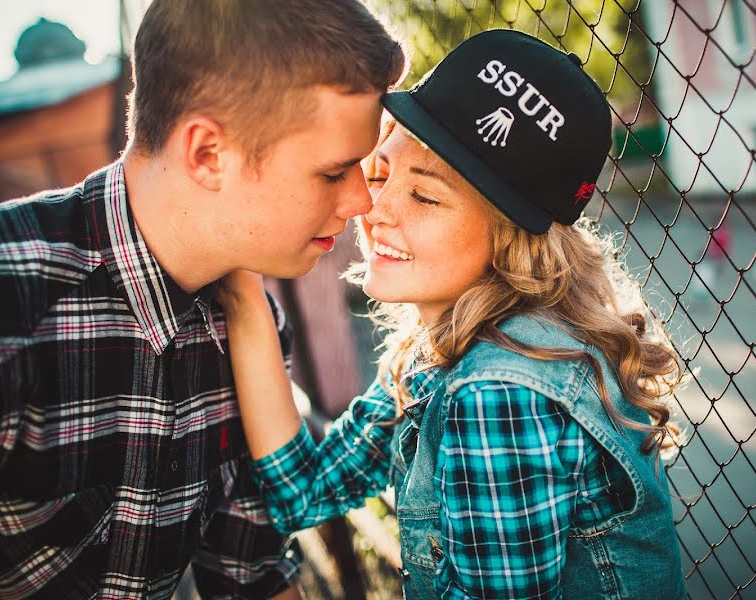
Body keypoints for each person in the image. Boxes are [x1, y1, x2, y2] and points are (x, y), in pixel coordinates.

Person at [219, 30, 687, 599]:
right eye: (382, 174)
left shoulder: (499, 389)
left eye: (425, 196)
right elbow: (303, 490)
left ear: (509, 239)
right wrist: (243, 286)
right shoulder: (442, 349)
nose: (373, 209)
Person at [0, 1, 404, 597]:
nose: (362, 202)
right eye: (334, 171)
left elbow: (250, 577)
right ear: (208, 154)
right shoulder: (9, 298)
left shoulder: (250, 326)